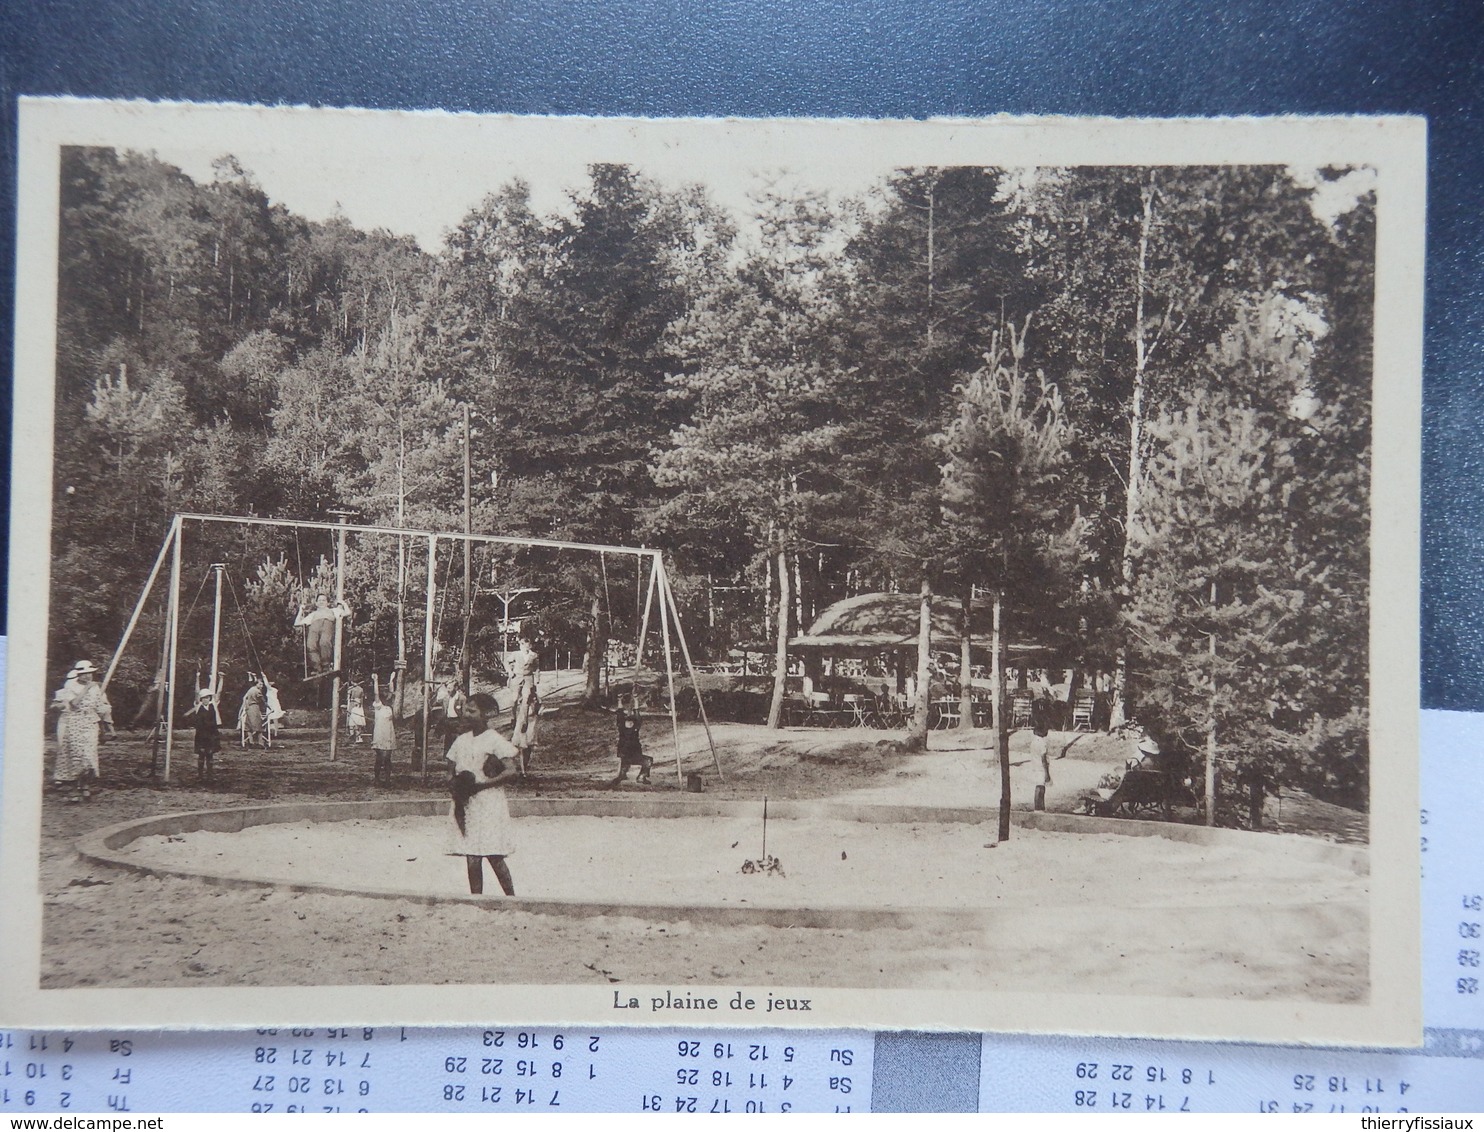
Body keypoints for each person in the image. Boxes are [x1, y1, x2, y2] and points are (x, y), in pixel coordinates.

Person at [446, 692, 518, 896]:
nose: (466, 714)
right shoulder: (460, 740)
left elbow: (511, 771)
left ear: (486, 714)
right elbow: (449, 771)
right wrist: (456, 786)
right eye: (465, 710)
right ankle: (477, 900)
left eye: (472, 711)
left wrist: (483, 784)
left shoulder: (494, 740)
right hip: (467, 803)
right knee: (472, 856)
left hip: (488, 802)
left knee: (493, 855)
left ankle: (511, 898)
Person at [52, 660, 113, 802]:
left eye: (89, 674)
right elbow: (73, 704)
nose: (87, 677)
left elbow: (99, 706)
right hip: (75, 722)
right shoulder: (71, 685)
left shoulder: (95, 688)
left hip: (90, 723)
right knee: (77, 756)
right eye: (84, 674)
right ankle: (75, 789)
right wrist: (87, 689)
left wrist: (106, 723)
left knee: (89, 756)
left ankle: (85, 785)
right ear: (78, 674)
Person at [295, 593, 351, 676]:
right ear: (316, 603)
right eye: (319, 600)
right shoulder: (312, 614)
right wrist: (301, 610)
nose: (321, 602)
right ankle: (317, 668)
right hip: (314, 628)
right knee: (310, 645)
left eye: (324, 600)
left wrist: (343, 603)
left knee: (324, 643)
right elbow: (297, 623)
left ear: (327, 603)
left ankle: (326, 665)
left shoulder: (334, 610)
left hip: (326, 625)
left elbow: (348, 612)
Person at [185, 676, 223, 781]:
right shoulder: (198, 707)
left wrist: (221, 679)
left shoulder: (212, 707)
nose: (206, 699)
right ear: (201, 699)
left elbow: (219, 692)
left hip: (211, 735)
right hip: (201, 735)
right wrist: (197, 677)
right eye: (204, 698)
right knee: (201, 756)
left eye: (208, 697)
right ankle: (200, 776)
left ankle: (210, 776)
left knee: (210, 755)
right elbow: (197, 692)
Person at [610, 694, 651, 787]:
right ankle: (638, 777)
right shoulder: (623, 728)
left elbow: (637, 715)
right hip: (627, 754)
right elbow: (620, 714)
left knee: (646, 761)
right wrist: (619, 701)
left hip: (630, 754)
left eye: (631, 722)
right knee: (647, 761)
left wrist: (635, 700)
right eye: (628, 722)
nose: (630, 723)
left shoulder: (633, 728)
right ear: (625, 722)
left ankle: (629, 776)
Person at [371, 672, 398, 785]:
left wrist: (391, 679)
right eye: (386, 694)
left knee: (387, 759)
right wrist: (375, 681)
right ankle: (377, 778)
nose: (388, 695)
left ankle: (387, 778)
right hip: (380, 735)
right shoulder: (379, 706)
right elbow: (376, 694)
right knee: (380, 758)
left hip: (389, 735)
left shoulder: (389, 707)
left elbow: (392, 692)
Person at [510, 680, 540, 775]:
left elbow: (538, 711)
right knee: (522, 748)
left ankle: (525, 768)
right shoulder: (521, 701)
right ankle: (522, 771)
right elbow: (515, 706)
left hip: (532, 725)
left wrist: (535, 704)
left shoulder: (536, 700)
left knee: (529, 748)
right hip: (523, 724)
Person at [508, 636, 540, 717]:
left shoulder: (533, 655)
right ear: (520, 646)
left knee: (526, 699)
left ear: (530, 646)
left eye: (527, 646)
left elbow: (536, 668)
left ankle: (524, 720)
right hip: (516, 678)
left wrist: (537, 678)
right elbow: (507, 662)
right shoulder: (516, 654)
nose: (525, 648)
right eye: (523, 646)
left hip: (528, 678)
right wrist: (510, 671)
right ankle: (513, 717)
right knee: (514, 699)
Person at [238, 675, 266, 748]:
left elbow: (245, 699)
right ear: (256, 684)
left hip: (248, 708)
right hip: (254, 707)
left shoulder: (250, 689)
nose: (262, 685)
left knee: (248, 725)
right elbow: (263, 701)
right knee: (258, 725)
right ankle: (260, 743)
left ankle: (251, 741)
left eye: (262, 684)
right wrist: (268, 707)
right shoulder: (257, 691)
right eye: (260, 684)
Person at [261, 672, 286, 745]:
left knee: (275, 717)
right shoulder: (271, 689)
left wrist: (264, 676)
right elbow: (267, 685)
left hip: (274, 704)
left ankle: (276, 732)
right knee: (269, 717)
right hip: (270, 704)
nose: (269, 683)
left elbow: (266, 684)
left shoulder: (272, 689)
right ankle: (267, 730)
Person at [346, 679, 367, 745]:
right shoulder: (360, 689)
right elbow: (361, 700)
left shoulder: (352, 689)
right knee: (356, 720)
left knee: (353, 720)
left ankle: (354, 735)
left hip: (353, 705)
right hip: (358, 705)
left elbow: (348, 699)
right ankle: (355, 736)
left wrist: (349, 706)